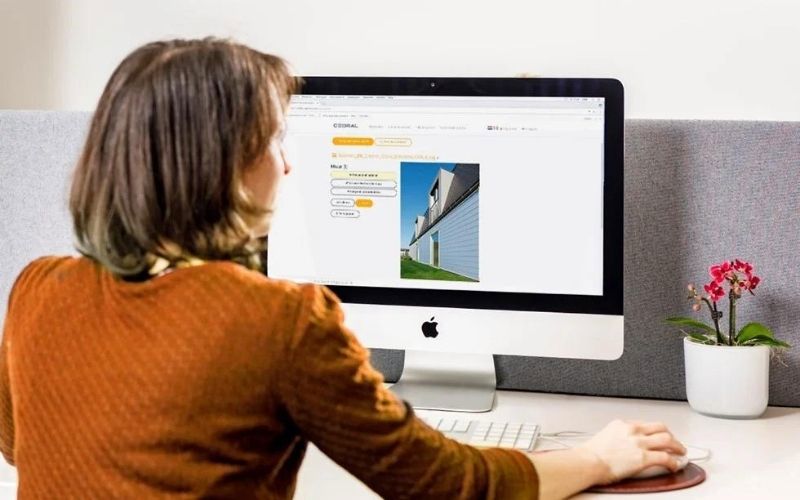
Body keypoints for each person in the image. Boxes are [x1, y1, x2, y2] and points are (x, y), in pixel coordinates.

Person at [0, 38, 685, 499]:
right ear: (217, 168)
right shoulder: (277, 321)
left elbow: (20, 444)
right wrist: (599, 458)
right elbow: (443, 486)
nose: (289, 164)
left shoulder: (36, 287)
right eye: (271, 142)